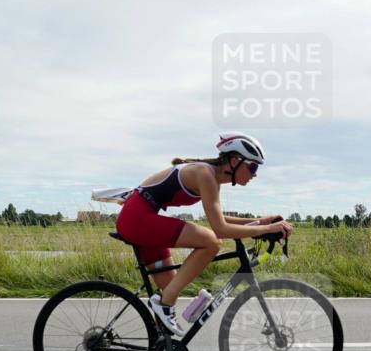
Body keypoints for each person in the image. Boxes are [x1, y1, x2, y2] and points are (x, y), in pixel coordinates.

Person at [115, 132, 293, 337]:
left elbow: (219, 218)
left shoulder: (212, 178)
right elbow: (220, 230)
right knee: (211, 242)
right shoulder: (205, 174)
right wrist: (267, 229)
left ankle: (163, 349)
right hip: (137, 219)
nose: (255, 174)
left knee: (170, 288)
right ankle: (164, 305)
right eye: (253, 167)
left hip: (143, 219)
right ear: (234, 161)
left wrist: (263, 221)